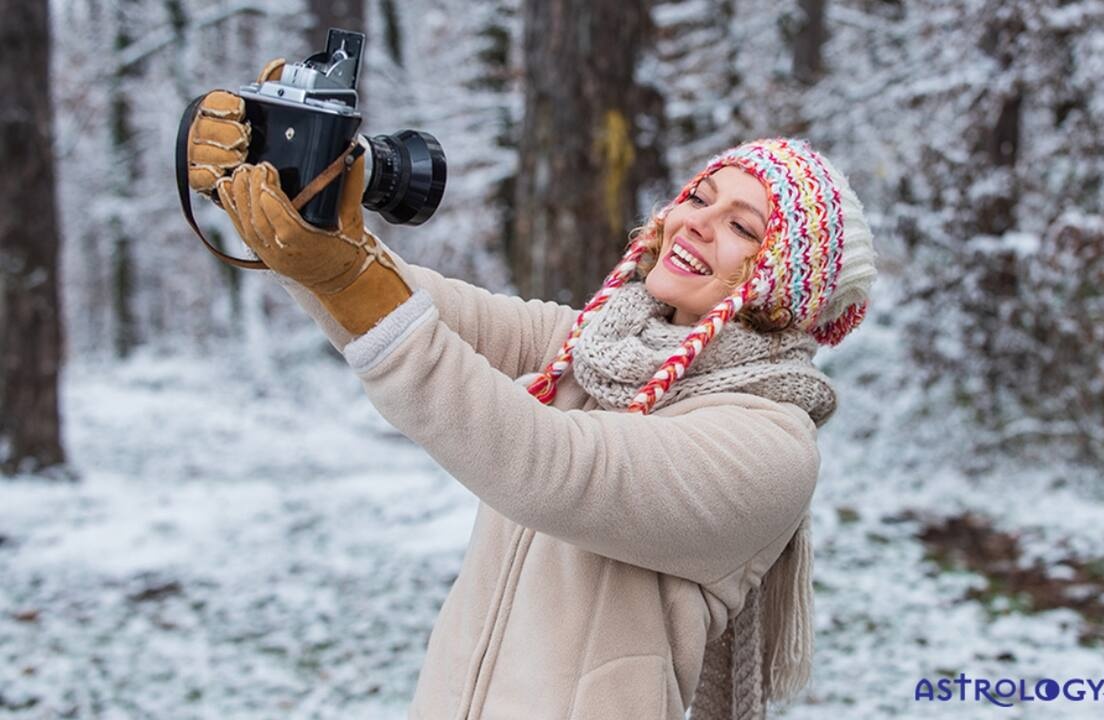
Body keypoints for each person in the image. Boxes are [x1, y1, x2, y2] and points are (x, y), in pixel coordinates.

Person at [186, 60, 878, 720]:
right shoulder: (591, 348)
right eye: (700, 195)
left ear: (785, 288)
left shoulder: (767, 444)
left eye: (742, 227)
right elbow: (425, 312)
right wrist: (306, 197)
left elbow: (551, 466)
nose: (696, 220)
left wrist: (345, 278)